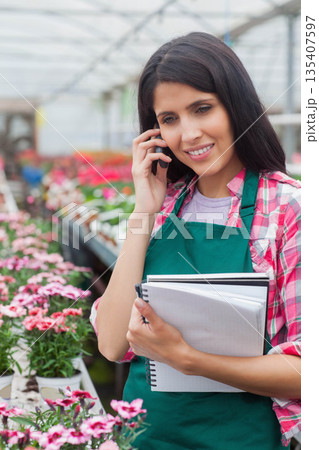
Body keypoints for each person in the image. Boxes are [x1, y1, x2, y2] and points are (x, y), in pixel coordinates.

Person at [91, 32, 301, 449]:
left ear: (235, 105)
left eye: (202, 109)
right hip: (147, 437)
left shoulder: (290, 209)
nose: (188, 134)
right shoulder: (164, 207)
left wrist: (188, 360)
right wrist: (142, 212)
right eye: (169, 119)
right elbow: (114, 344)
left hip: (242, 437)